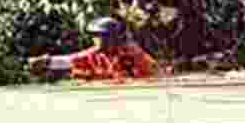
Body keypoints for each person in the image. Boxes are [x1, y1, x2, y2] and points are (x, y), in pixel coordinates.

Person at [28, 17, 157, 82]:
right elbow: (71, 60)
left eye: (102, 35)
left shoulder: (133, 54)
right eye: (95, 36)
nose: (97, 40)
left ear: (115, 37)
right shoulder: (95, 54)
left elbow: (150, 78)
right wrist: (46, 61)